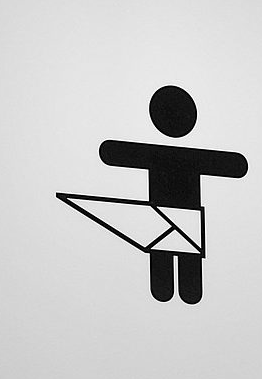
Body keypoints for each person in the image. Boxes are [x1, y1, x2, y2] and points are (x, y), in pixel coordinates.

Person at [99, 86, 247, 304]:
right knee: (167, 272)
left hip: (182, 217)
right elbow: (235, 165)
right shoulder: (172, 156)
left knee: (183, 275)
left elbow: (236, 165)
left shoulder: (170, 156)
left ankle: (177, 287)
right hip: (168, 214)